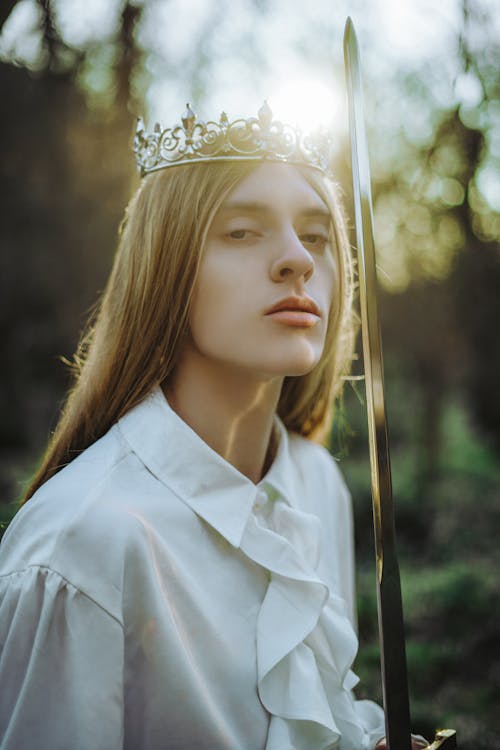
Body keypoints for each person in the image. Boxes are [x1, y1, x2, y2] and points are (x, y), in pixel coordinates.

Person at [0, 103, 425, 750]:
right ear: (165, 272)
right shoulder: (81, 547)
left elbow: (320, 703)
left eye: (316, 235)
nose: (297, 261)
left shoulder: (316, 484)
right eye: (241, 232)